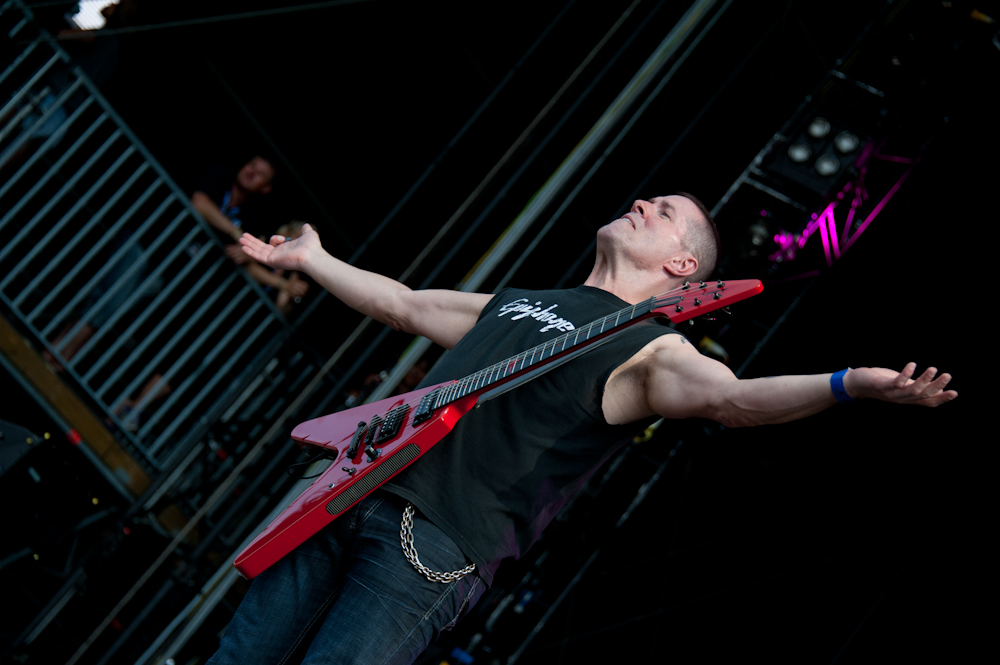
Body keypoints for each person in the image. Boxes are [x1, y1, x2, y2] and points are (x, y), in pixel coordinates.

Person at [210, 194, 956, 665]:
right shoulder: (523, 301)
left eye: (662, 210)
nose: (641, 202)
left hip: (430, 547)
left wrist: (847, 383)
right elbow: (404, 305)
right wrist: (315, 258)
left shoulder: (653, 349)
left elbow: (733, 399)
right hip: (348, 493)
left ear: (682, 263)